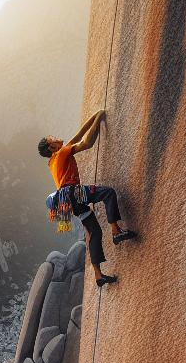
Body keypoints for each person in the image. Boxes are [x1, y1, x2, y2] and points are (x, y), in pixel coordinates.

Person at [38, 109, 137, 287]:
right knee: (108, 193)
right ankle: (116, 230)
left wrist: (97, 117)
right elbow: (87, 143)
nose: (55, 137)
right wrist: (98, 119)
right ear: (51, 147)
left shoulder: (53, 160)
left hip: (69, 202)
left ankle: (98, 275)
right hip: (75, 193)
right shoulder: (61, 154)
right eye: (52, 138)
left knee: (94, 232)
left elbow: (78, 135)